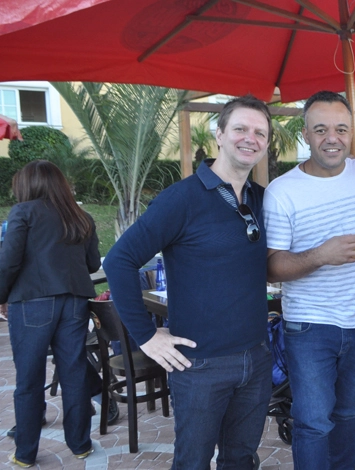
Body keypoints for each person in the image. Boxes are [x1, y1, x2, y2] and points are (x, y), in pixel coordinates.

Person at [104, 95, 273, 468]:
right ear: (220, 134)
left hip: (256, 357)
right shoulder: (181, 199)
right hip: (199, 365)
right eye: (241, 128)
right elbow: (119, 261)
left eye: (260, 132)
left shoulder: (263, 199)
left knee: (242, 459)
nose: (250, 138)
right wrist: (147, 336)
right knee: (193, 462)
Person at [264, 91, 355, 470]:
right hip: (310, 325)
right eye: (321, 129)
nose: (331, 137)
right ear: (306, 134)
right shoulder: (282, 191)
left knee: (350, 414)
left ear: (352, 134)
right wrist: (322, 254)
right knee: (313, 422)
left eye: (340, 129)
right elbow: (271, 267)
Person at [0, 160, 100, 467]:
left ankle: (26, 453)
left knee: (29, 379)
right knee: (73, 373)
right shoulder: (82, 216)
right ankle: (81, 444)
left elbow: (8, 262)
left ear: (28, 184)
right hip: (75, 303)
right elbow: (93, 264)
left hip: (32, 303)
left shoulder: (23, 212)